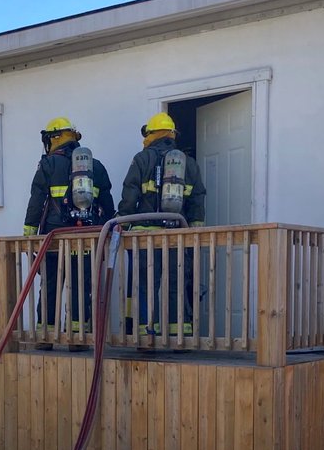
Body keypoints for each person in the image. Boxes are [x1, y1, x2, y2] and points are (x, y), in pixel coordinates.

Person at [23, 116, 115, 337]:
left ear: (55, 137)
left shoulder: (48, 164)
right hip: (86, 237)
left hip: (53, 238)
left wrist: (29, 233)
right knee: (81, 287)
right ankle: (78, 337)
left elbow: (37, 200)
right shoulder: (96, 166)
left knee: (51, 286)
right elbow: (107, 203)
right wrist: (107, 229)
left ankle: (45, 335)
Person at [118, 112, 206, 337]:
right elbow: (197, 198)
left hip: (145, 236)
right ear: (171, 134)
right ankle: (181, 335)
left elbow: (130, 193)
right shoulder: (189, 163)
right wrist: (195, 231)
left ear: (151, 134)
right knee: (177, 282)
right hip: (178, 234)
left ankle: (145, 334)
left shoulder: (141, 159)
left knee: (146, 284)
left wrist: (123, 221)